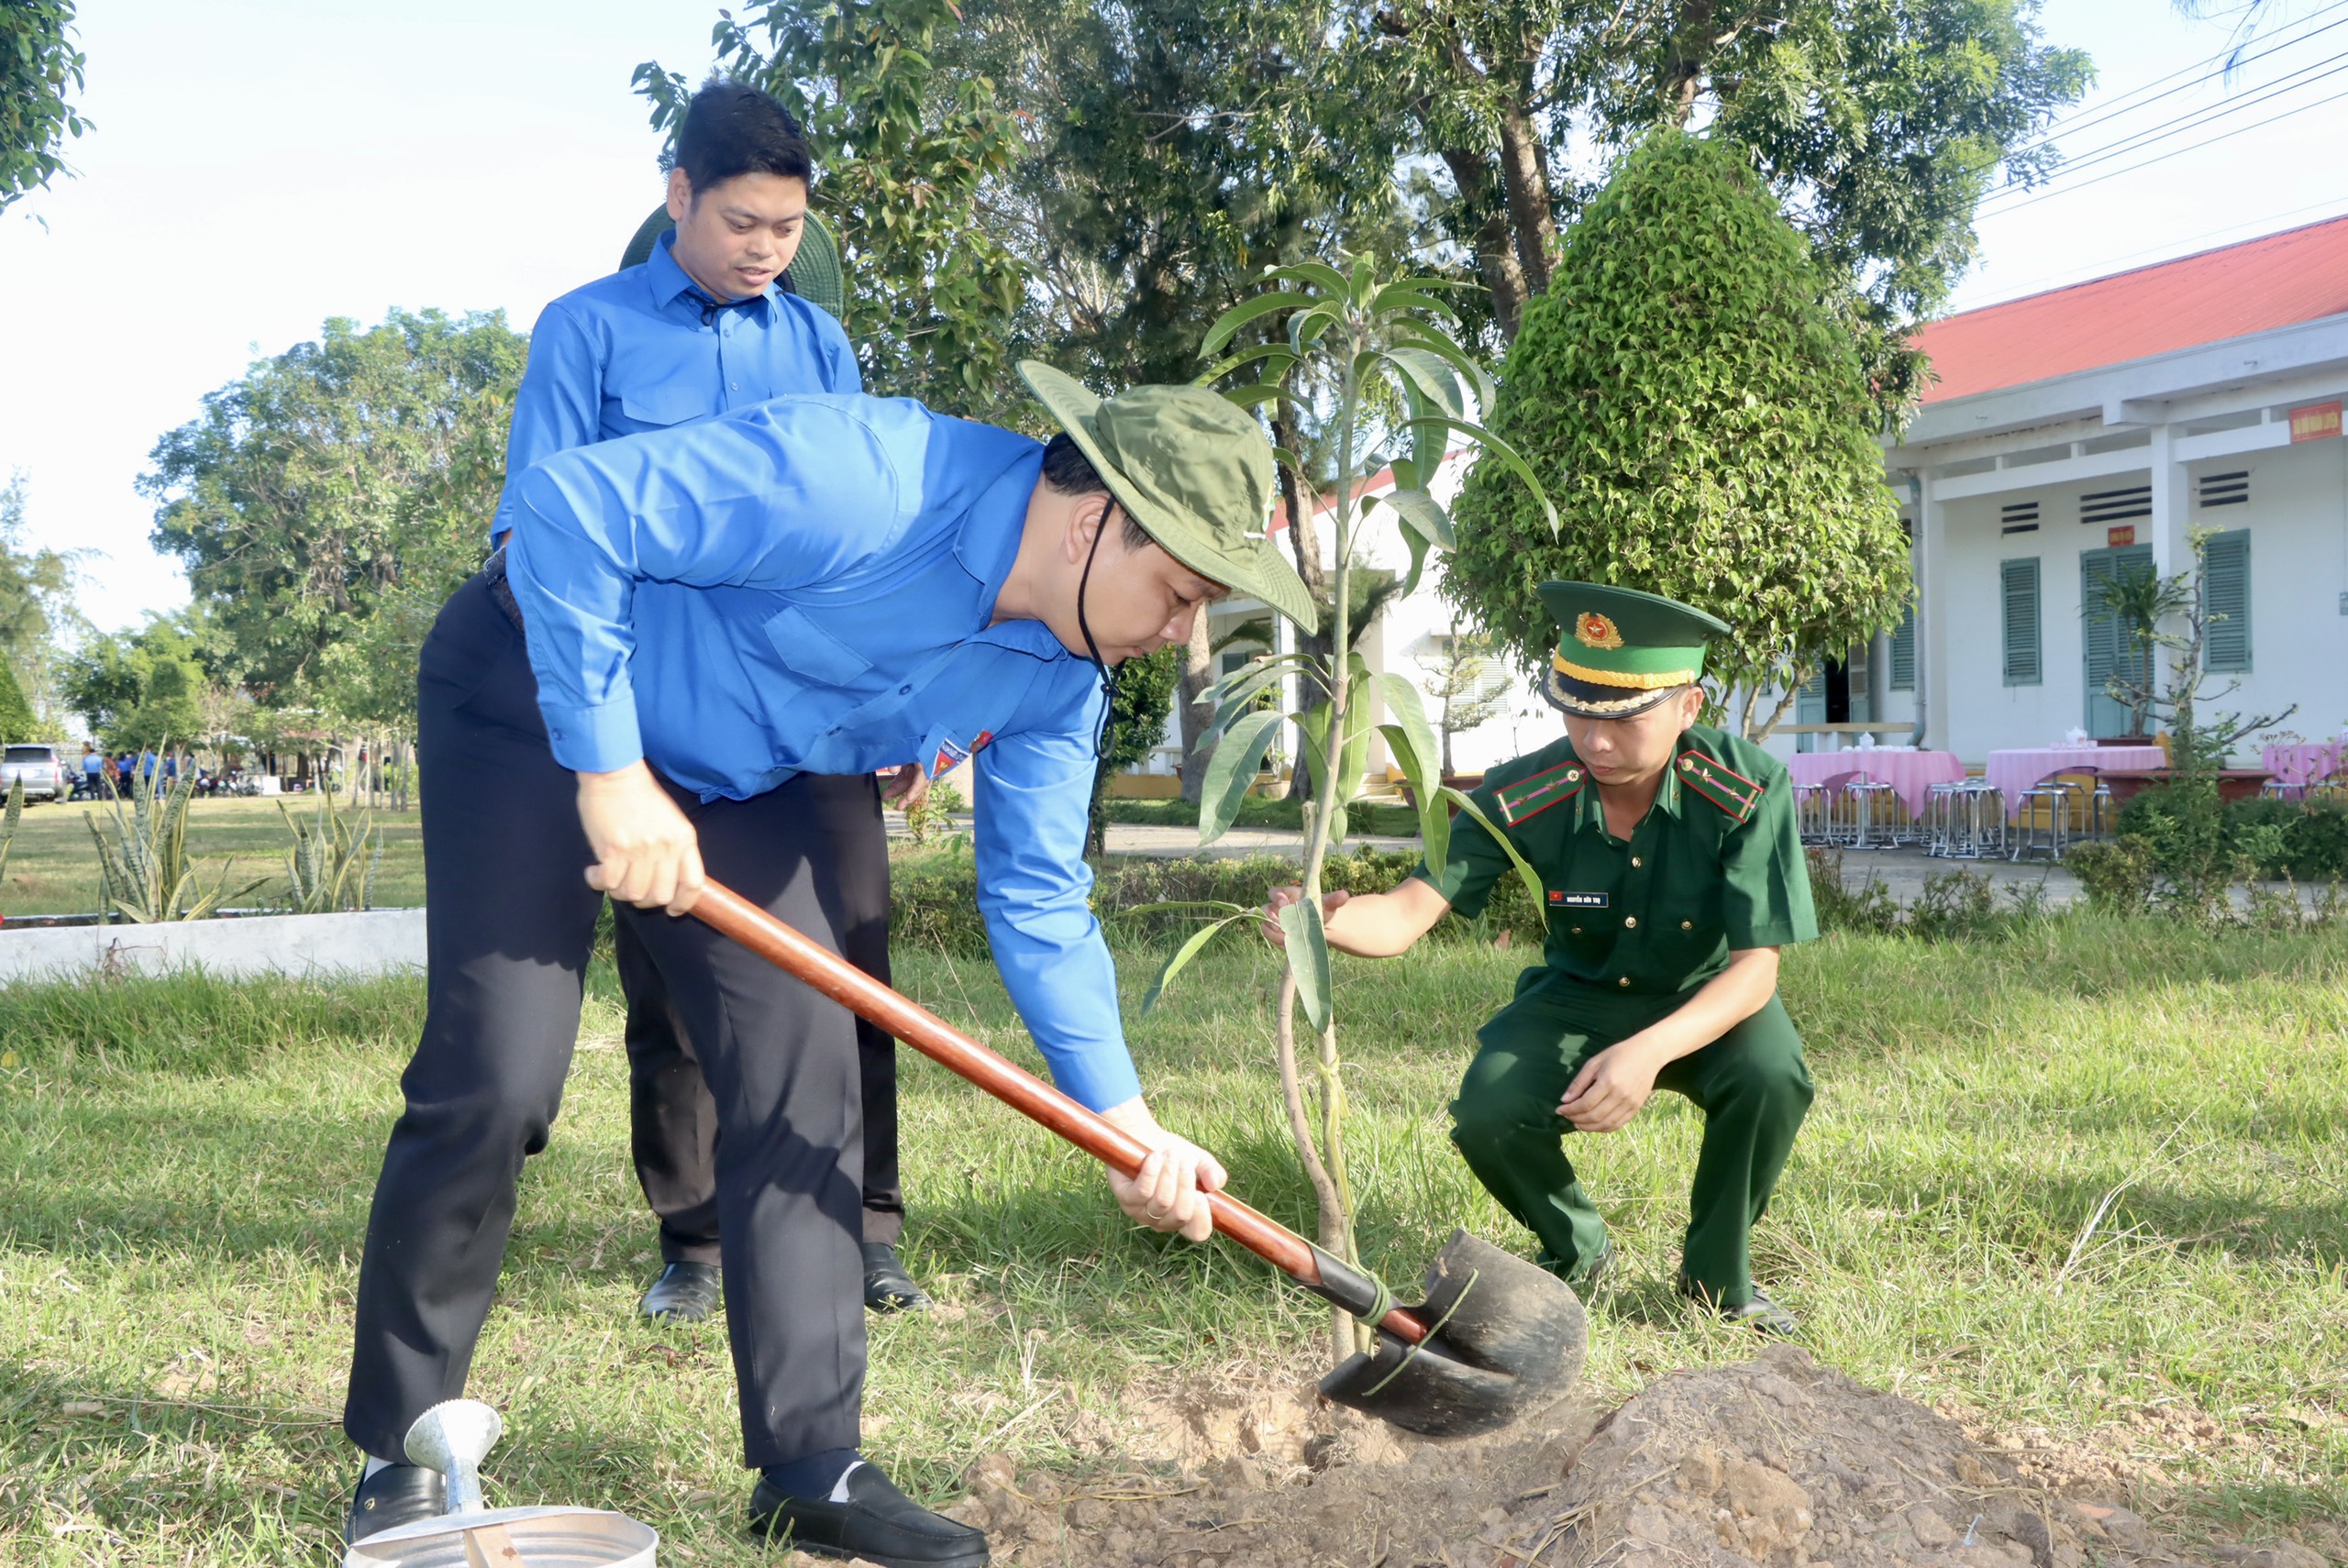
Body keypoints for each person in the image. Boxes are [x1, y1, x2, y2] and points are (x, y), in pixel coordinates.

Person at [341, 365, 1313, 1566]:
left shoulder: (1061, 673)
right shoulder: (861, 480)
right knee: (498, 1075)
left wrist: (1128, 1125)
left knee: (804, 1076)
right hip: (543, 694)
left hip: (747, 770)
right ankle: (400, 1447)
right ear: (1091, 516)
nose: (1184, 632)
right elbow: (565, 508)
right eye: (1177, 592)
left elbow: (1038, 898)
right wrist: (610, 772)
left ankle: (813, 1463)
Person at [488, 79, 910, 1327]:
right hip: (655, 721)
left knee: (857, 960)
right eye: (741, 223)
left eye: (785, 228)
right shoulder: (589, 332)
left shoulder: (818, 342)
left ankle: (869, 1226)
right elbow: (538, 523)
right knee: (673, 984)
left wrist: (892, 702)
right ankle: (698, 1237)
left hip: (809, 712)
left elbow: (863, 539)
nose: (764, 251)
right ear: (679, 196)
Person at [1264, 582, 1818, 1334]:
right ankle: (1578, 1250)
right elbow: (1406, 914)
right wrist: (1323, 923)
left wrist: (1645, 1054)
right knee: (1489, 1108)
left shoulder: (1746, 788)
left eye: (1625, 718)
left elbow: (1757, 967)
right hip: (1579, 996)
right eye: (1578, 710)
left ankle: (1718, 1281)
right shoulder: (1530, 792)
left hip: (1707, 998)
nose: (1596, 741)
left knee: (1772, 1075)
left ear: (1689, 708)